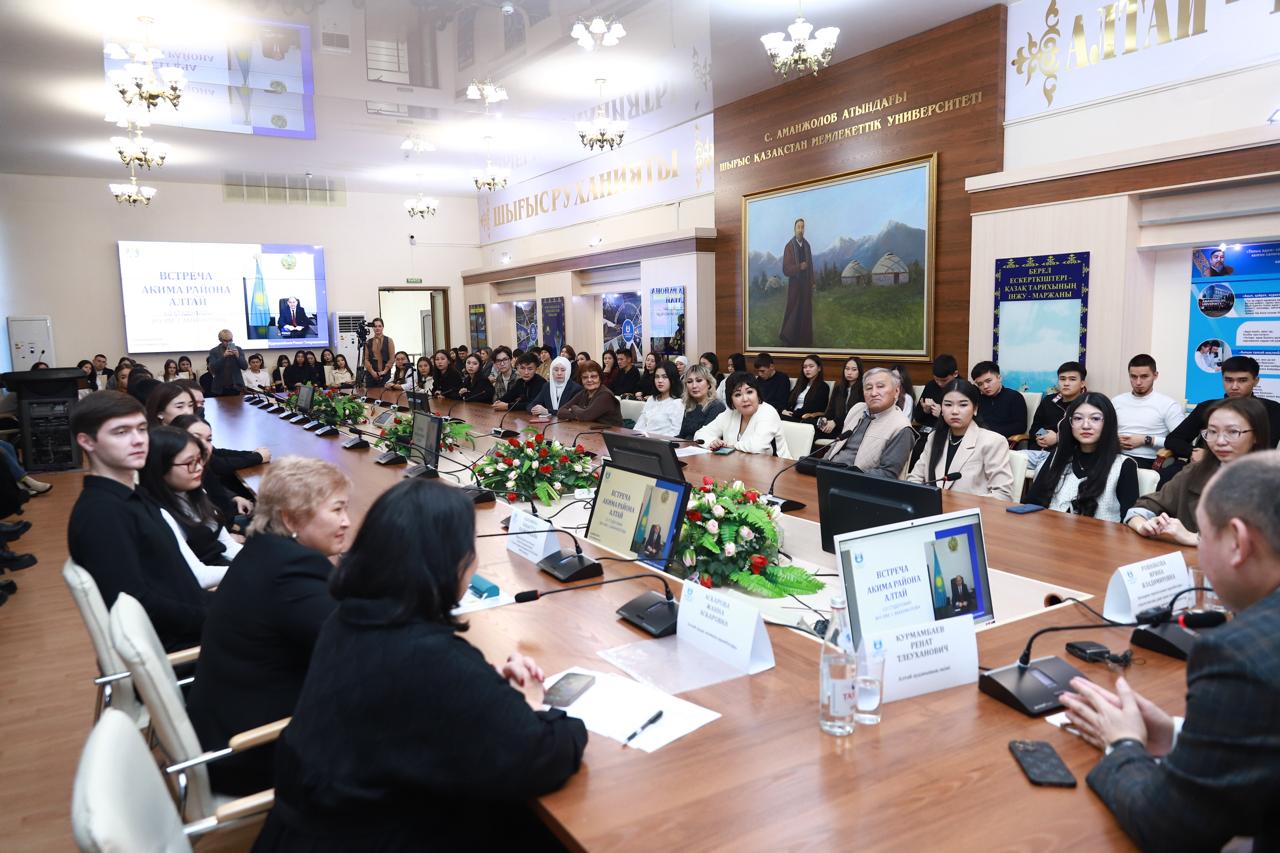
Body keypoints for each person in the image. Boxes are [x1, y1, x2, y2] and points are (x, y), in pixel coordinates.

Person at [253, 479, 587, 850]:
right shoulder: (431, 658)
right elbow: (543, 755)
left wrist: (485, 687)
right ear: (450, 563)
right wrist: (534, 704)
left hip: (304, 831)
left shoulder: (347, 619)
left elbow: (415, 693)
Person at [1060, 451, 1280, 852]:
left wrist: (1123, 743)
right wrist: (1177, 735)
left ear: (1237, 543)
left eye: (1203, 537)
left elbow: (1171, 829)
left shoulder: (1240, 656)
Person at [186, 457, 350, 797]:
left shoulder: (263, 550)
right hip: (254, 753)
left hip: (225, 728)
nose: (347, 521)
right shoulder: (292, 571)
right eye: (337, 510)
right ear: (290, 518)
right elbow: (354, 649)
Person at [67, 393, 208, 651]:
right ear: (87, 441)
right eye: (121, 432)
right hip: (192, 649)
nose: (138, 440)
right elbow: (136, 604)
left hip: (202, 629)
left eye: (142, 429)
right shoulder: (101, 514)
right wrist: (221, 616)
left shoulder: (134, 495)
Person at [1125, 397, 1269, 545]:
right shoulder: (1195, 472)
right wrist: (1143, 525)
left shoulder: (1271, 481)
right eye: (1212, 432)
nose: (1220, 441)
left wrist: (1194, 538)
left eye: (1232, 432)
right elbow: (1142, 508)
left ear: (1256, 435)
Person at [137, 426, 242, 584]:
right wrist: (250, 569)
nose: (199, 468)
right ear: (160, 467)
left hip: (225, 573)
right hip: (207, 587)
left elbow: (228, 546)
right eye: (189, 463)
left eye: (199, 460)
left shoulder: (195, 491)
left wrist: (259, 561)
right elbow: (199, 577)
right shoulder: (159, 513)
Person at [1026, 393, 1138, 522]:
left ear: (1108, 422)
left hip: (1100, 534)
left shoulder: (1124, 465)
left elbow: (1130, 519)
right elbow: (1032, 502)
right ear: (1070, 422)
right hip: (1052, 531)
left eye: (1095, 419)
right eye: (1078, 418)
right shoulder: (1059, 456)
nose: (1085, 425)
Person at [907, 379, 1014, 500]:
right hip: (931, 508)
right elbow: (914, 479)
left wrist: (964, 507)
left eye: (963, 405)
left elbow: (1003, 494)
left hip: (971, 510)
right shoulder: (934, 437)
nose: (954, 411)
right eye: (948, 405)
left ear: (975, 409)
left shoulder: (993, 442)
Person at [1165, 356, 1280, 462]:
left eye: (1242, 380)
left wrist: (1211, 457)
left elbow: (1266, 449)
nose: (1234, 386)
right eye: (1229, 380)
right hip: (1203, 468)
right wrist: (1192, 452)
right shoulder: (1206, 407)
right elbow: (1173, 440)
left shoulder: (1271, 409)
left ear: (1255, 381)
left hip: (1247, 468)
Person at [813, 368, 914, 479]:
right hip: (829, 473)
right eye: (868, 388)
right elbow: (837, 446)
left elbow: (888, 474)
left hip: (859, 483)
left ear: (896, 392)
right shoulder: (857, 409)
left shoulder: (901, 427)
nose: (873, 393)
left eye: (880, 386)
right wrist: (820, 467)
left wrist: (845, 475)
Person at [1111, 354, 1185, 468]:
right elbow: (1103, 432)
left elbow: (1181, 442)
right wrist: (1113, 439)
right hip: (1115, 456)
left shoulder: (1168, 405)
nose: (1138, 382)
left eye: (1144, 376)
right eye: (1133, 377)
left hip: (1148, 460)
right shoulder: (1116, 401)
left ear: (1155, 375)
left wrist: (1146, 440)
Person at [695, 372, 792, 458]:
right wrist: (713, 442)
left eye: (749, 392)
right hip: (737, 466)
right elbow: (700, 435)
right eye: (737, 394)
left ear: (758, 394)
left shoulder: (768, 412)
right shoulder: (730, 413)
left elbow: (757, 446)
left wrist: (729, 446)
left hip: (776, 468)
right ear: (731, 400)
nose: (745, 399)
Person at [1029, 361, 1087, 450]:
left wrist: (1057, 438)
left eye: (1072, 379)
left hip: (1070, 453)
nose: (1066, 383)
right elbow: (1034, 429)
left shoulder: (1088, 404)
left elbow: (1088, 435)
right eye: (1062, 379)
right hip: (1039, 450)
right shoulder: (1048, 400)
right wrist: (1042, 435)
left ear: (1082, 383)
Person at [779, 217, 815, 347]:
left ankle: (804, 340)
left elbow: (810, 265)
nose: (800, 230)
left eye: (802, 227)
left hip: (806, 286)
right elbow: (786, 269)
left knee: (805, 312)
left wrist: (812, 281)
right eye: (798, 227)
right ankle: (788, 338)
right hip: (795, 286)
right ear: (794, 229)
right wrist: (799, 267)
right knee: (793, 311)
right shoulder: (789, 247)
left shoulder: (807, 246)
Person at [970, 361, 1027, 441]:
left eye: (988, 381)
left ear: (999, 378)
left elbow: (1020, 426)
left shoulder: (1014, 397)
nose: (985, 386)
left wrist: (990, 432)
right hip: (977, 439)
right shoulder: (978, 399)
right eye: (980, 384)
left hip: (1002, 440)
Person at [559, 360, 621, 425]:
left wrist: (573, 407)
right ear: (581, 379)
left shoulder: (605, 395)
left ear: (600, 378)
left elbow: (585, 416)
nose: (589, 380)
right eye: (585, 377)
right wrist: (579, 415)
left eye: (593, 376)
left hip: (611, 430)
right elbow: (560, 412)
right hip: (589, 429)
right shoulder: (584, 392)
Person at [912, 354, 961, 435]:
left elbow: (965, 422)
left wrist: (942, 414)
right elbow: (918, 418)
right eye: (936, 379)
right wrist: (925, 411)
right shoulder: (931, 385)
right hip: (927, 431)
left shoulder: (963, 389)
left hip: (950, 433)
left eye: (944, 380)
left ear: (955, 374)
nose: (940, 384)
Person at [633, 360, 684, 436]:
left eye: (664, 377)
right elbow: (639, 425)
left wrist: (651, 438)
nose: (660, 381)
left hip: (660, 441)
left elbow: (675, 432)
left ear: (672, 379)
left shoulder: (677, 403)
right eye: (657, 377)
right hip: (641, 440)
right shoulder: (651, 399)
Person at [818, 356, 865, 437]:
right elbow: (831, 410)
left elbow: (857, 415)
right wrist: (825, 418)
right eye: (847, 369)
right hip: (835, 426)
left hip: (851, 429)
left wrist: (835, 422)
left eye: (854, 369)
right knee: (810, 428)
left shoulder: (863, 390)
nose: (849, 372)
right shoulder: (838, 388)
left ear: (859, 372)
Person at [679, 365, 727, 440]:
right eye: (689, 382)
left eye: (699, 380)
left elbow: (704, 438)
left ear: (709, 384)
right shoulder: (690, 406)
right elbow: (682, 436)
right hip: (686, 446)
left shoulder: (717, 406)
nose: (694, 386)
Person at [780, 354, 830, 423]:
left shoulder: (823, 387)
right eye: (805, 367)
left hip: (805, 419)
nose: (807, 369)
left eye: (811, 366)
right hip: (791, 415)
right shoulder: (800, 384)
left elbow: (813, 408)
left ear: (819, 368)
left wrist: (793, 413)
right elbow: (788, 400)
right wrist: (784, 410)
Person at [207, 330, 247, 396]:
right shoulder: (214, 351)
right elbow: (213, 369)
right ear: (220, 340)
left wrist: (238, 356)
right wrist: (223, 356)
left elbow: (245, 367)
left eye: (230, 340)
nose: (228, 343)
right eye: (226, 341)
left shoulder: (238, 349)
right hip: (220, 388)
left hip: (236, 387)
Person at [362, 318, 394, 388]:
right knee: (371, 394)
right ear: (372, 328)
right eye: (375, 326)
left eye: (379, 326)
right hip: (371, 375)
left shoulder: (389, 340)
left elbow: (392, 358)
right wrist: (372, 372)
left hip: (385, 374)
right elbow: (365, 359)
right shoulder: (368, 342)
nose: (377, 328)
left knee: (385, 394)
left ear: (383, 327)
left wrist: (384, 372)